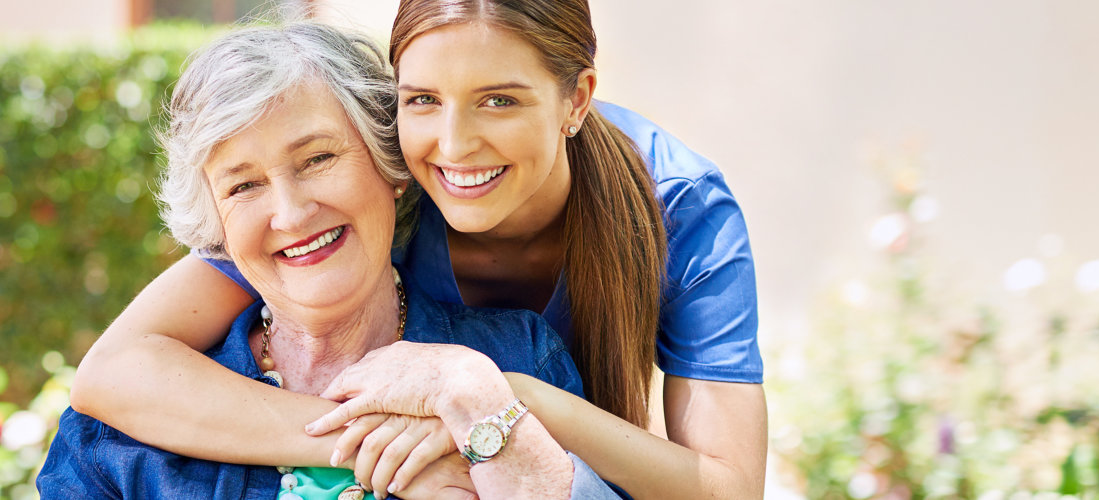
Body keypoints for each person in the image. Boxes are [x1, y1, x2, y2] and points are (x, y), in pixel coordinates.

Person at [74, 1, 768, 498]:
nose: (454, 144)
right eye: (423, 100)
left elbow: (725, 488)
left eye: (499, 100)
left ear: (577, 99)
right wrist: (359, 445)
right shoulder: (379, 179)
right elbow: (114, 371)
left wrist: (494, 399)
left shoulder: (678, 206)